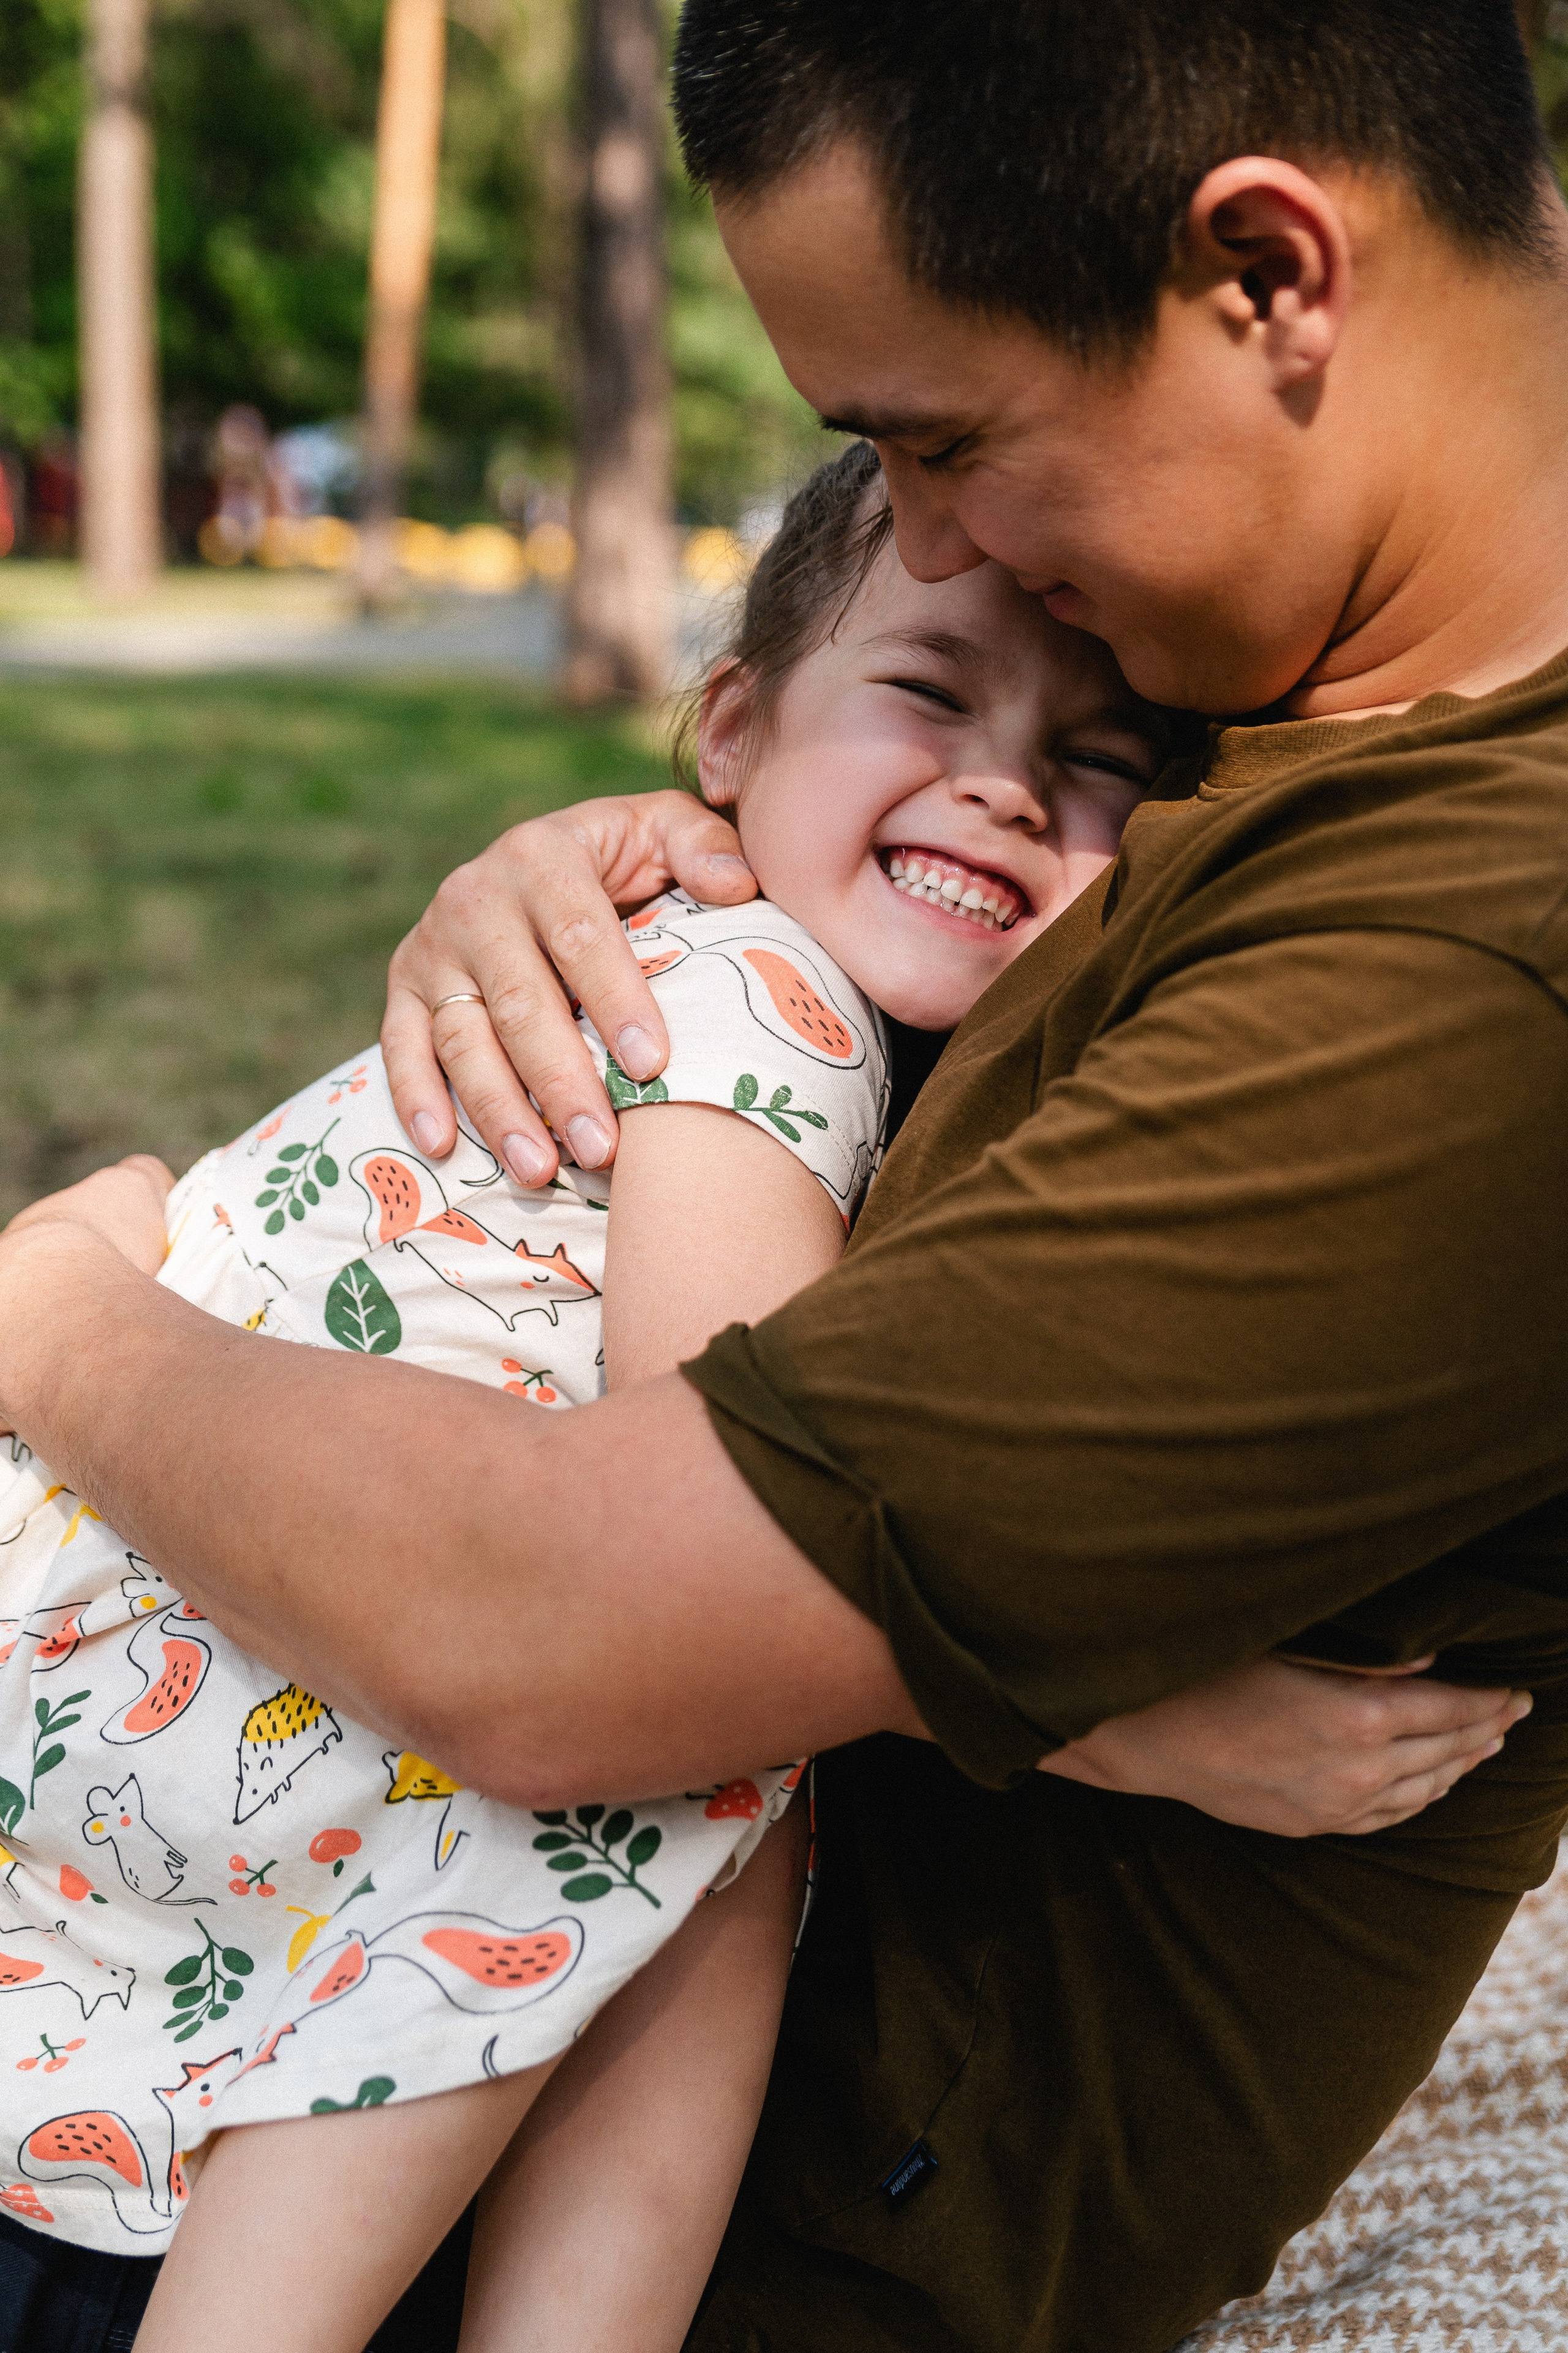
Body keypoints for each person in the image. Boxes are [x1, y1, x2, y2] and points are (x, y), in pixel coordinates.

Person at [2, 2, 1566, 2346]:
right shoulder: (1297, 650)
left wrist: (57, 1312)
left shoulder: (1481, 956)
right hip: (302, 1952)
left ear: (1269, 277)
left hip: (702, 2170)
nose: (926, 538)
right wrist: (653, 868)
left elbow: (573, 1639)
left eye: (941, 439)